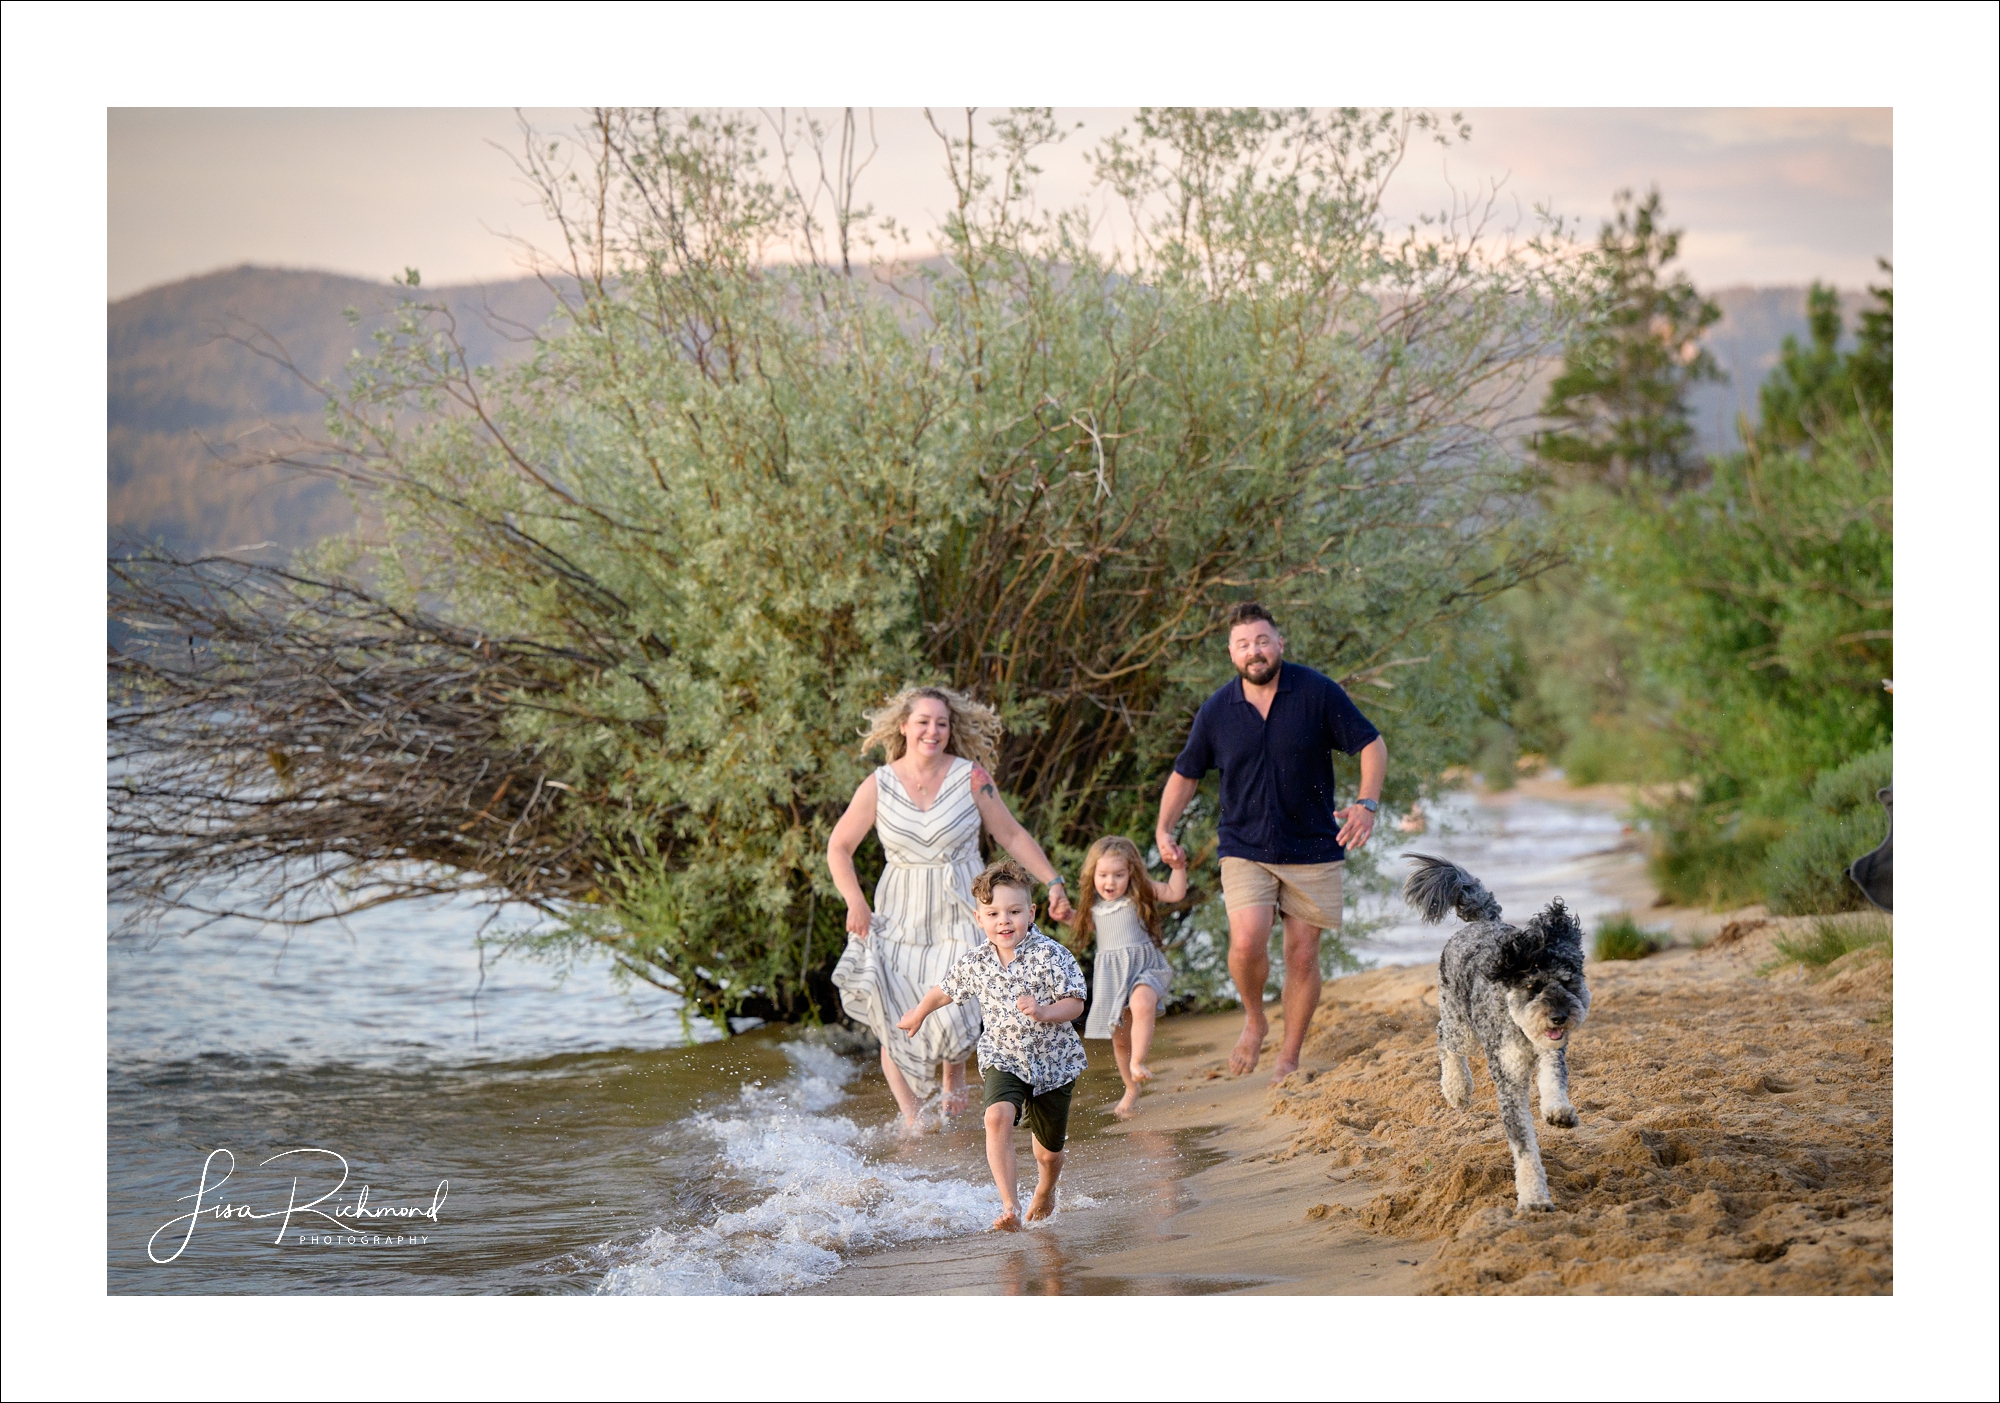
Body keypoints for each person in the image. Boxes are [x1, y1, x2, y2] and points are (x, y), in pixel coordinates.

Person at [1155, 602, 1387, 1084]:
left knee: (1302, 954)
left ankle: (1289, 1057)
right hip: (1245, 846)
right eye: (1243, 645)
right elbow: (1186, 772)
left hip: (1314, 846)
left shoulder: (1317, 692)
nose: (1254, 651)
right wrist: (1163, 828)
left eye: (1262, 641)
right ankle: (1255, 1018)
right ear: (1231, 654)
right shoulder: (1218, 710)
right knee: (1245, 942)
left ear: (1280, 644)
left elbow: (1371, 744)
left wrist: (1367, 802)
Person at [827, 685, 1074, 1130]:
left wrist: (1052, 880)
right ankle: (914, 1125)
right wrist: (855, 901)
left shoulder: (970, 777)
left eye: (941, 723)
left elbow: (1012, 835)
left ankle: (954, 1076)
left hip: (963, 906)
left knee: (959, 1003)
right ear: (904, 726)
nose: (932, 731)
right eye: (923, 722)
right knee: (895, 1011)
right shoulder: (879, 784)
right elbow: (839, 847)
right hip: (899, 914)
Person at [899, 860, 1088, 1231]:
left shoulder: (1051, 954)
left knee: (1047, 1154)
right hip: (1004, 1056)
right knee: (996, 1116)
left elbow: (1076, 1002)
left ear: (1031, 913)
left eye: (1014, 912)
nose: (1004, 921)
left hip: (1054, 1063)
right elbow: (945, 991)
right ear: (979, 918)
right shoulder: (977, 961)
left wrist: (1045, 1010)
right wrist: (920, 1012)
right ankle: (1009, 1206)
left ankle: (1046, 1190)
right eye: (993, 913)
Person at [1070, 836, 1186, 1118]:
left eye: (1119, 875)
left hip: (1146, 966)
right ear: (1092, 875)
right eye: (1103, 875)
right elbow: (1081, 924)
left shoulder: (1139, 895)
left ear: (1131, 873)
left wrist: (1179, 866)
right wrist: (1064, 914)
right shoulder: (1094, 908)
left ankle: (1138, 1063)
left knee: (1142, 1002)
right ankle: (1131, 1086)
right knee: (1119, 1039)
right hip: (1113, 976)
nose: (1110, 882)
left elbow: (1174, 892)